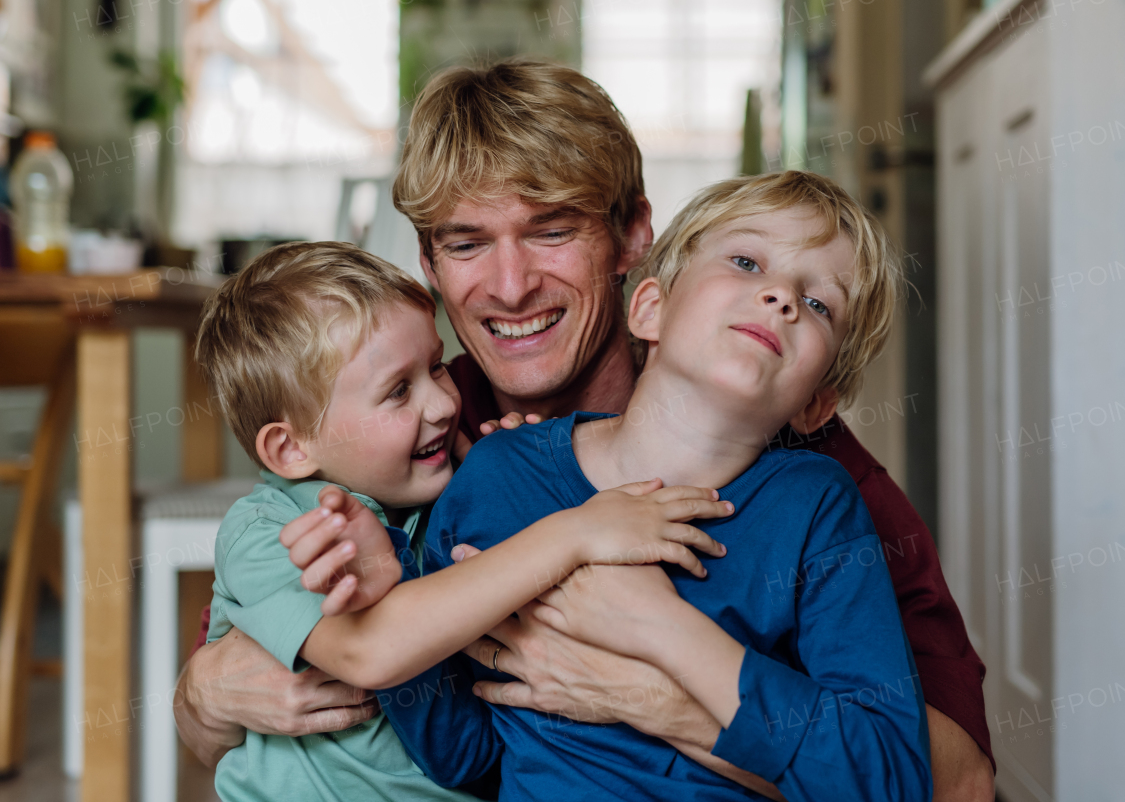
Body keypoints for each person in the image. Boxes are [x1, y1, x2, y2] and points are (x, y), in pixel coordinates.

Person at [175, 58, 995, 801]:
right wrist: (205, 693)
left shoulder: (813, 470)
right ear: (430, 267)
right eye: (466, 243)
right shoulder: (414, 424)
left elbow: (951, 785)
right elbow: (416, 727)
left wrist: (660, 696)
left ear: (634, 238)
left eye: (553, 229)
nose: (510, 284)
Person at [369, 169, 931, 801]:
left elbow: (893, 783)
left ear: (817, 405)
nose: (782, 298)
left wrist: (661, 626)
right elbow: (465, 755)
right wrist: (382, 591)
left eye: (820, 303)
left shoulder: (817, 508)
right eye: (746, 262)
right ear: (650, 308)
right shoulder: (501, 476)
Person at [193, 241, 730, 801]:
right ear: (290, 449)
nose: (443, 404)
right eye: (399, 390)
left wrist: (514, 484)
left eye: (435, 368)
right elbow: (369, 651)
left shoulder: (441, 497)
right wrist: (574, 531)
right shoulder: (270, 530)